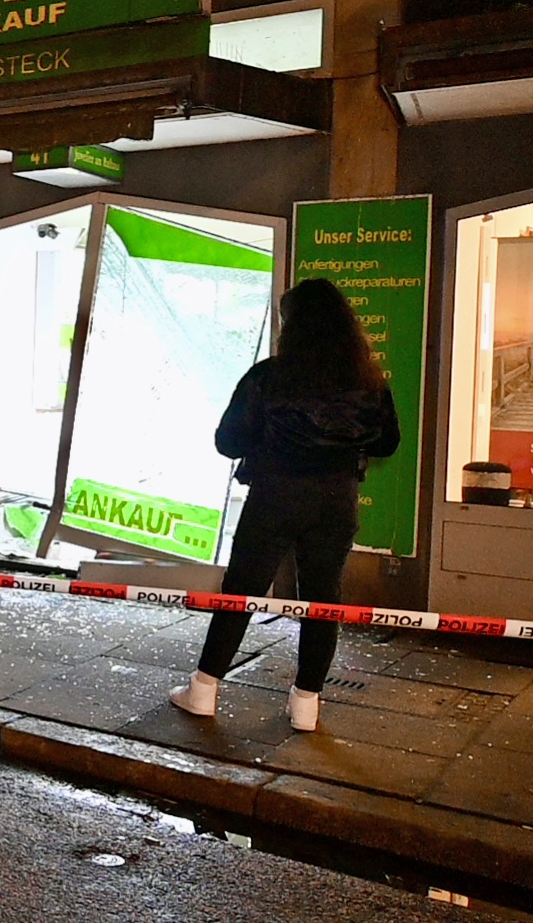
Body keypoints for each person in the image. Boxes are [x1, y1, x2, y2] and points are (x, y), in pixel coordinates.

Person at [170, 278, 400, 732]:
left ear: (291, 326)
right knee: (323, 600)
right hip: (336, 500)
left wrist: (270, 439)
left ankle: (204, 689)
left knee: (240, 591)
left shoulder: (268, 377)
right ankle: (306, 704)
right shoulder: (369, 383)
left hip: (275, 495)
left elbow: (227, 441)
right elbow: (388, 442)